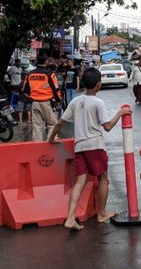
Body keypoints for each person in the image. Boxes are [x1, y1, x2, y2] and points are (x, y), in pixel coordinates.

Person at [48, 68, 132, 229]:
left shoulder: (75, 101)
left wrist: (52, 138)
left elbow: (60, 122)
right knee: (103, 178)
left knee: (80, 181)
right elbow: (107, 127)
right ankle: (101, 213)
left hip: (79, 146)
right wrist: (120, 113)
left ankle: (71, 218)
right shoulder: (98, 103)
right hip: (95, 146)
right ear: (98, 84)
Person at [23, 53, 61, 141]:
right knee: (52, 124)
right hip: (46, 103)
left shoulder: (30, 74)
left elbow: (25, 90)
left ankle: (37, 147)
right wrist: (58, 100)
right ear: (46, 61)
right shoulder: (49, 74)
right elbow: (56, 89)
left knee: (37, 126)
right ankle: (50, 144)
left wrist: (32, 98)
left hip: (35, 103)